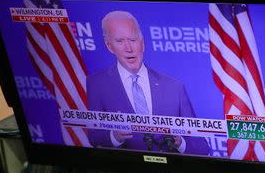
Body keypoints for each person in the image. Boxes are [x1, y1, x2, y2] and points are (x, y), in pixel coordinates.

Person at [86, 11, 208, 154]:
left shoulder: (174, 87)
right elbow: (94, 137)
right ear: (109, 46)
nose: (128, 48)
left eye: (132, 40)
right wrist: (115, 136)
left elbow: (202, 147)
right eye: (120, 41)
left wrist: (180, 142)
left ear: (142, 43)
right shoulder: (97, 83)